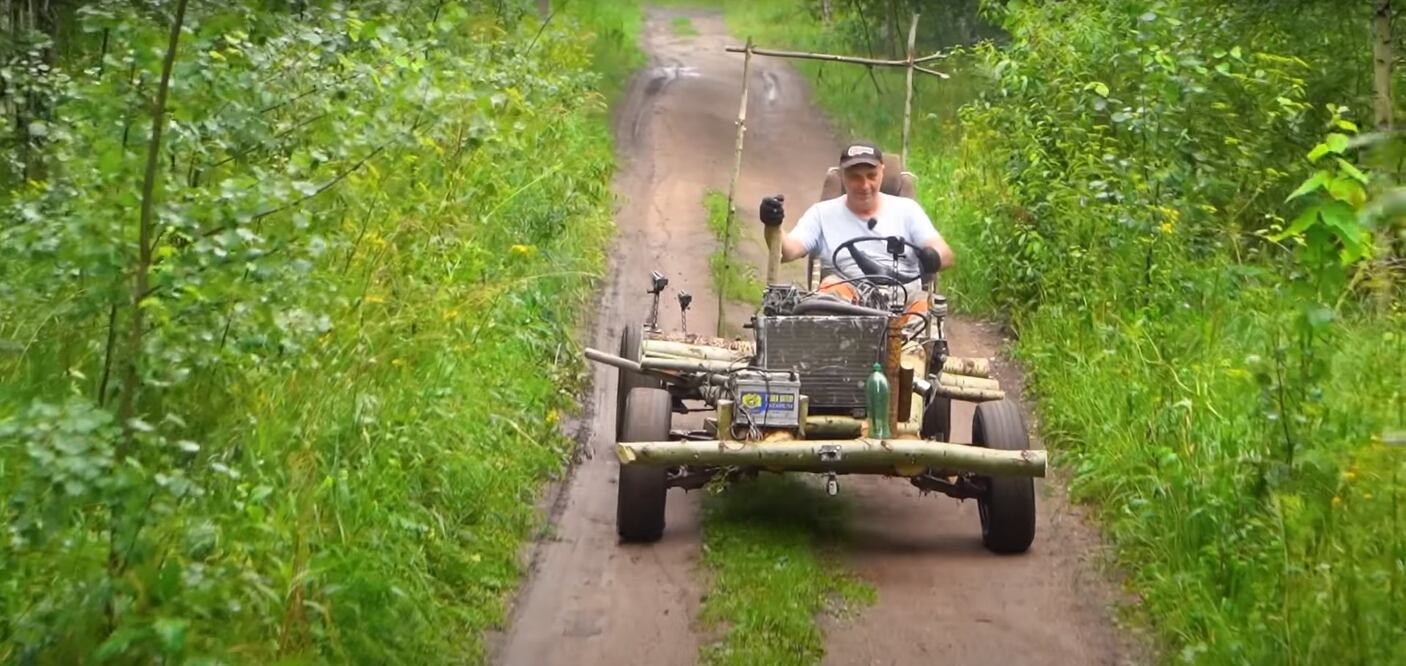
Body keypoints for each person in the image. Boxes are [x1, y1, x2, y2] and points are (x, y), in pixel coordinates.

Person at [758, 140, 954, 319]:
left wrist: (934, 257)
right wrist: (773, 224)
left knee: (923, 308)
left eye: (871, 176)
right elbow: (786, 251)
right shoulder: (822, 214)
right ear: (842, 175)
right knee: (829, 290)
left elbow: (945, 253)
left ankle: (911, 353)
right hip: (845, 303)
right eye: (855, 177)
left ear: (882, 172)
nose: (864, 185)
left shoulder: (908, 210)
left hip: (904, 298)